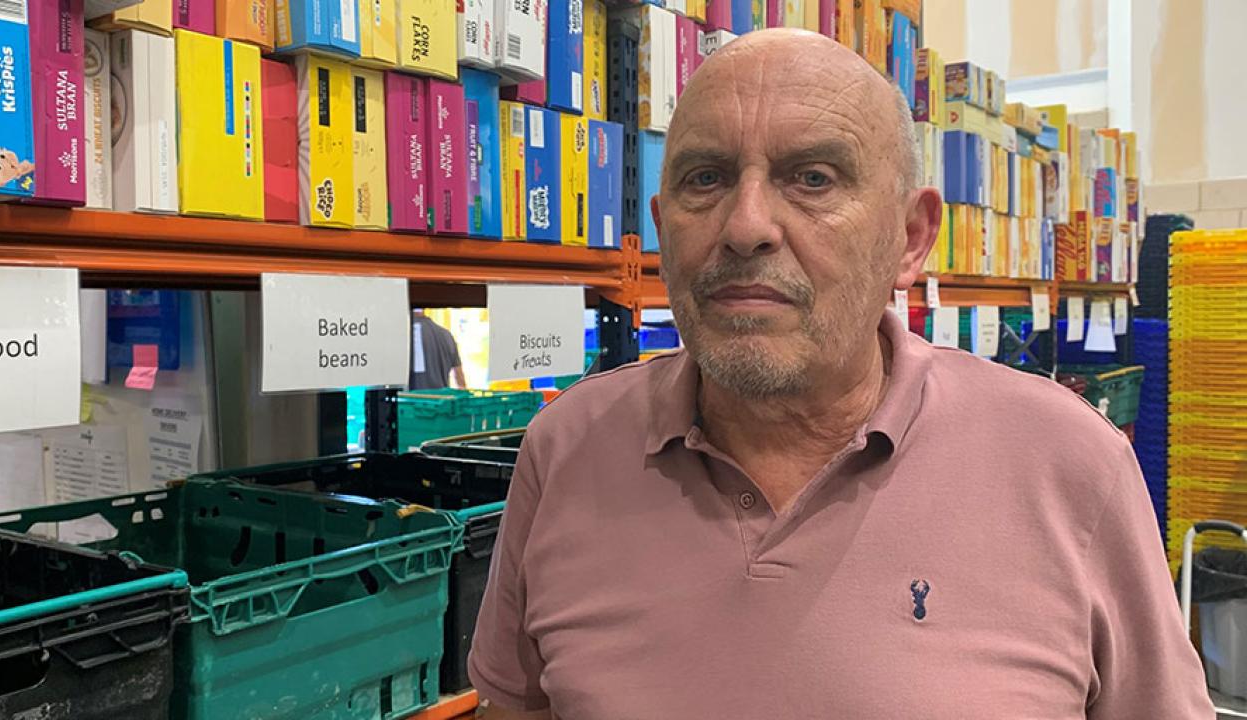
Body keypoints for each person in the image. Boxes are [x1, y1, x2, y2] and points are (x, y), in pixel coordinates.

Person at [468, 29, 1213, 719]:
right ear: (663, 229)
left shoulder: (1070, 466)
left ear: (911, 238)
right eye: (706, 177)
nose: (746, 225)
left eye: (813, 178)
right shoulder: (565, 451)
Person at [410, 310, 467, 390]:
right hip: (441, 400)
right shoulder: (446, 335)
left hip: (407, 401)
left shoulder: (400, 335)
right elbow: (460, 380)